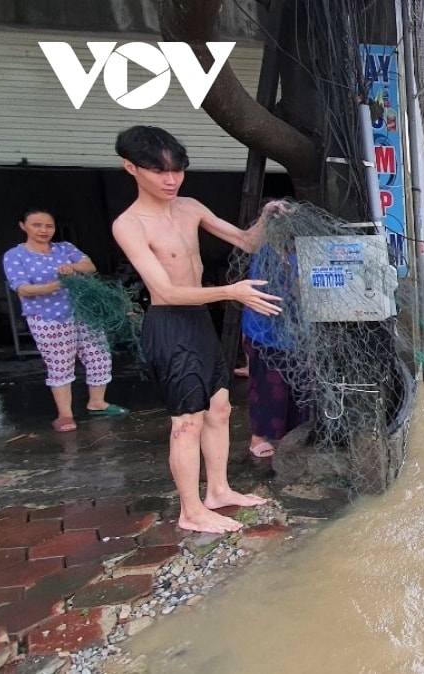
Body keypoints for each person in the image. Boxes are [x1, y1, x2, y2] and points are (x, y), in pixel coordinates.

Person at [111, 125, 284, 534]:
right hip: (169, 325)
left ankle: (218, 490)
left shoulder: (190, 207)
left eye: (177, 171)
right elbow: (166, 291)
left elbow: (246, 242)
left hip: (198, 322)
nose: (171, 180)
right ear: (130, 168)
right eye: (159, 171)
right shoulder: (129, 224)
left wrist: (267, 216)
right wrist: (231, 291)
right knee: (186, 421)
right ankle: (190, 511)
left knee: (219, 410)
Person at [3, 209, 129, 432]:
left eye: (48, 226)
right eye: (36, 225)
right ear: (23, 226)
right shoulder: (15, 255)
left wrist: (73, 267)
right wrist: (54, 285)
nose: (43, 230)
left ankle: (97, 403)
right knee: (60, 362)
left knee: (98, 355)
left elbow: (90, 267)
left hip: (82, 312)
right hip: (48, 317)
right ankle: (65, 415)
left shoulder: (65, 248)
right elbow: (22, 288)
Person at [242, 239, 308, 459]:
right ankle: (258, 438)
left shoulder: (302, 254)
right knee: (266, 388)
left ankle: (293, 436)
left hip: (297, 334)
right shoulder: (264, 254)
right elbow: (269, 290)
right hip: (265, 333)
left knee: (299, 387)